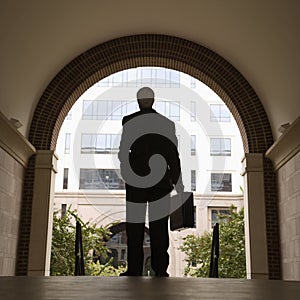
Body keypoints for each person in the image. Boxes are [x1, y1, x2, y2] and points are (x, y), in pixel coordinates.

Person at [118, 87, 184, 277]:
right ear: (153, 101)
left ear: (138, 101)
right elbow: (173, 155)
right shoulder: (167, 124)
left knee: (135, 227)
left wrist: (127, 169)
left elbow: (123, 151)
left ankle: (134, 269)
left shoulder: (128, 121)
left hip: (136, 180)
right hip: (161, 181)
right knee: (159, 228)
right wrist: (178, 182)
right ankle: (160, 270)